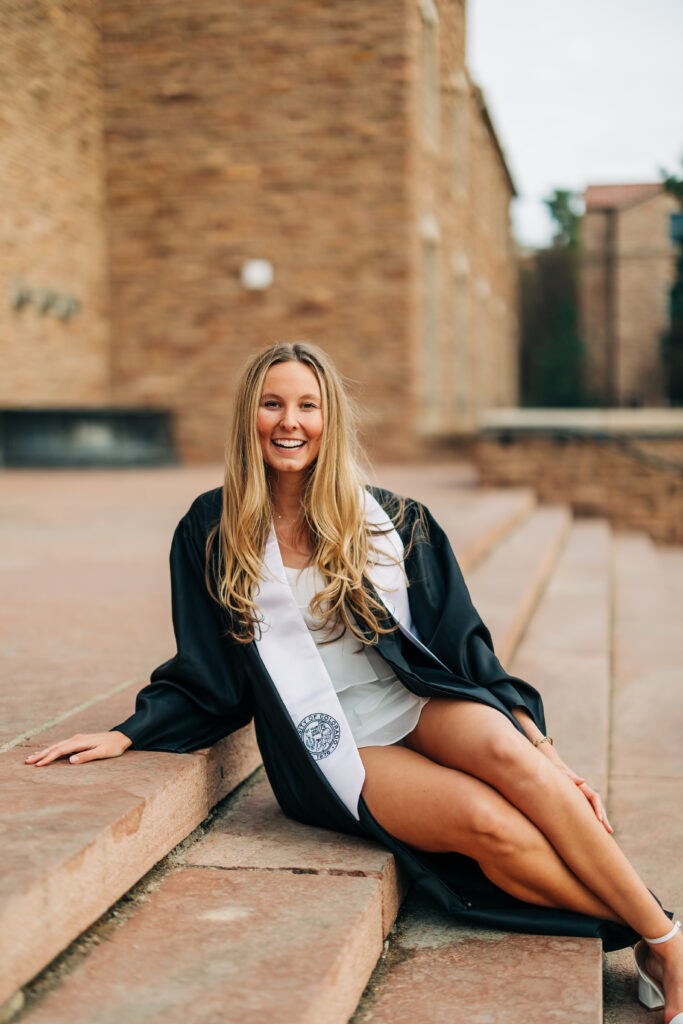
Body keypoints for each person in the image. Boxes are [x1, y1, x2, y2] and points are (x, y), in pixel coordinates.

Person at [25, 342, 682, 1022]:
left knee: (510, 758)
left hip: (413, 699)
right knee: (489, 824)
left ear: (328, 418)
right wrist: (129, 733)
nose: (290, 421)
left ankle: (666, 946)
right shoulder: (210, 529)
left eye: (307, 406)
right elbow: (208, 673)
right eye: (272, 403)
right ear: (247, 416)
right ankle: (654, 932)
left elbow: (460, 643)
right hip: (331, 740)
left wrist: (545, 750)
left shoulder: (395, 520)